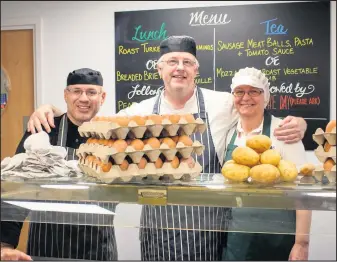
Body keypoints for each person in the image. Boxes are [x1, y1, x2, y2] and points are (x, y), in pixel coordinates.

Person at [25, 36, 308, 261]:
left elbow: (257, 111)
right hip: (158, 228)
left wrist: (301, 124)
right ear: (159, 68)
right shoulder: (141, 111)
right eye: (172, 61)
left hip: (209, 228)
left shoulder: (222, 104)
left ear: (197, 69)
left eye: (187, 61)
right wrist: (48, 109)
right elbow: (93, 121)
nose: (180, 68)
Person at [0, 68, 119, 261]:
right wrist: (5, 244)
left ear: (102, 96)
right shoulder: (42, 130)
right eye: (76, 91)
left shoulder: (114, 136)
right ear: (66, 94)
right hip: (47, 243)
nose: (83, 98)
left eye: (91, 92)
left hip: (98, 244)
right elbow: (16, 188)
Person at [221, 67, 312, 261]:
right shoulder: (228, 133)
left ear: (266, 97)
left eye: (254, 91)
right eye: (239, 91)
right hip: (237, 236)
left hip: (278, 237)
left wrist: (301, 243)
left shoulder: (285, 132)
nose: (246, 97)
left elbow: (303, 193)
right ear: (233, 97)